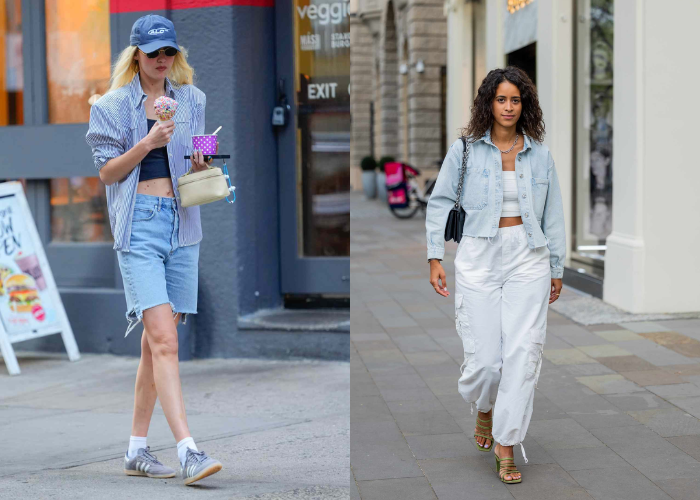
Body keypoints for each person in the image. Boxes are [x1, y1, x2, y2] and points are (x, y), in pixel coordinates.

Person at [85, 14, 222, 486]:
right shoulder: (111, 106)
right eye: (153, 53)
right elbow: (106, 174)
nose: (162, 61)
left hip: (183, 226)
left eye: (169, 53)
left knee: (152, 344)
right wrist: (147, 142)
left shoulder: (192, 99)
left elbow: (201, 145)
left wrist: (202, 154)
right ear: (136, 56)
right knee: (165, 340)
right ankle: (188, 450)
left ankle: (136, 450)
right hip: (139, 226)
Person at [425, 66, 566, 484]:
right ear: (489, 103)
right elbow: (440, 201)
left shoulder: (539, 154)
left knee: (523, 355)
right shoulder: (466, 149)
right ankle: (485, 408)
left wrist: (556, 267)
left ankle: (506, 445)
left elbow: (553, 216)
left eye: (515, 100)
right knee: (486, 362)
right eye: (501, 99)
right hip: (479, 254)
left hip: (529, 257)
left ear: (526, 106)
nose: (508, 107)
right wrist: (435, 257)